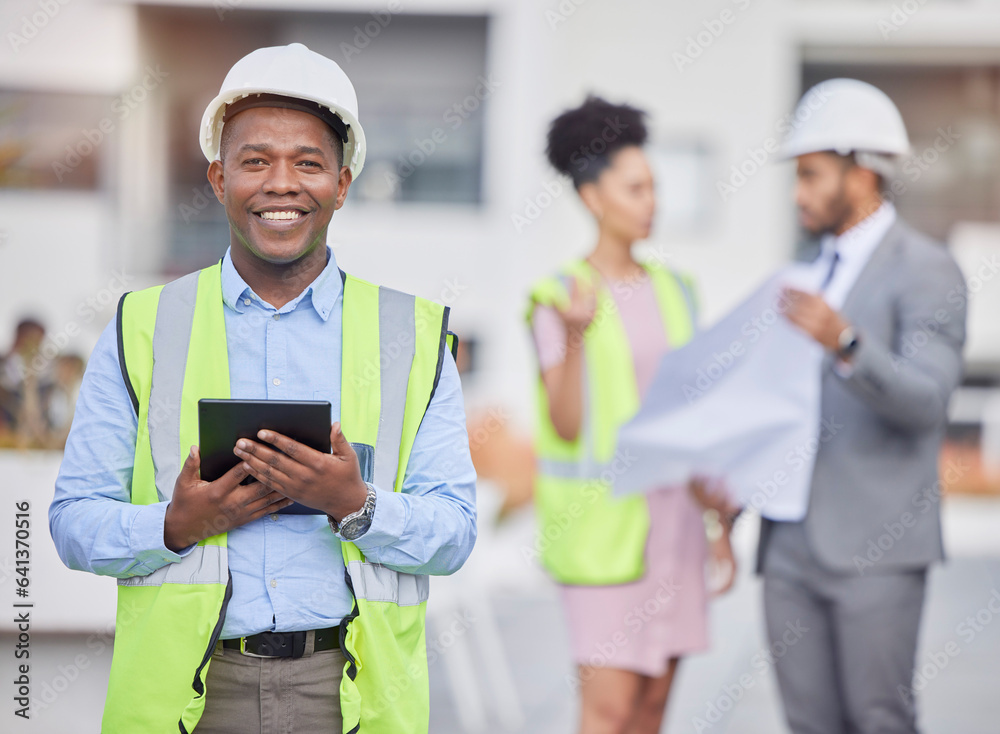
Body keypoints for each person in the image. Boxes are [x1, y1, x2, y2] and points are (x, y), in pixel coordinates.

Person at [49, 43, 477, 734]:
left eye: (308, 162)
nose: (282, 184)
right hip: (189, 698)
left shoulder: (416, 337)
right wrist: (176, 524)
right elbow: (73, 522)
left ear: (341, 184)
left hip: (349, 696)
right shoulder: (141, 327)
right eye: (255, 161)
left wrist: (354, 504)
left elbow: (454, 535)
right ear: (219, 179)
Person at [761, 78, 967, 733]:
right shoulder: (805, 271)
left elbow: (927, 402)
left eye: (812, 175)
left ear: (862, 174)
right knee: (809, 724)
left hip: (876, 553)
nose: (799, 193)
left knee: (878, 720)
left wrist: (845, 341)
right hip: (789, 547)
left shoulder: (926, 268)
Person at [525, 96, 736, 734]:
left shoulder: (678, 291)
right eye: (636, 188)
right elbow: (564, 425)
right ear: (593, 197)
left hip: (673, 531)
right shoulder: (558, 297)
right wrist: (577, 337)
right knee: (608, 714)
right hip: (602, 538)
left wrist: (717, 519)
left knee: (649, 714)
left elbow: (689, 417)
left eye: (655, 188)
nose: (652, 202)